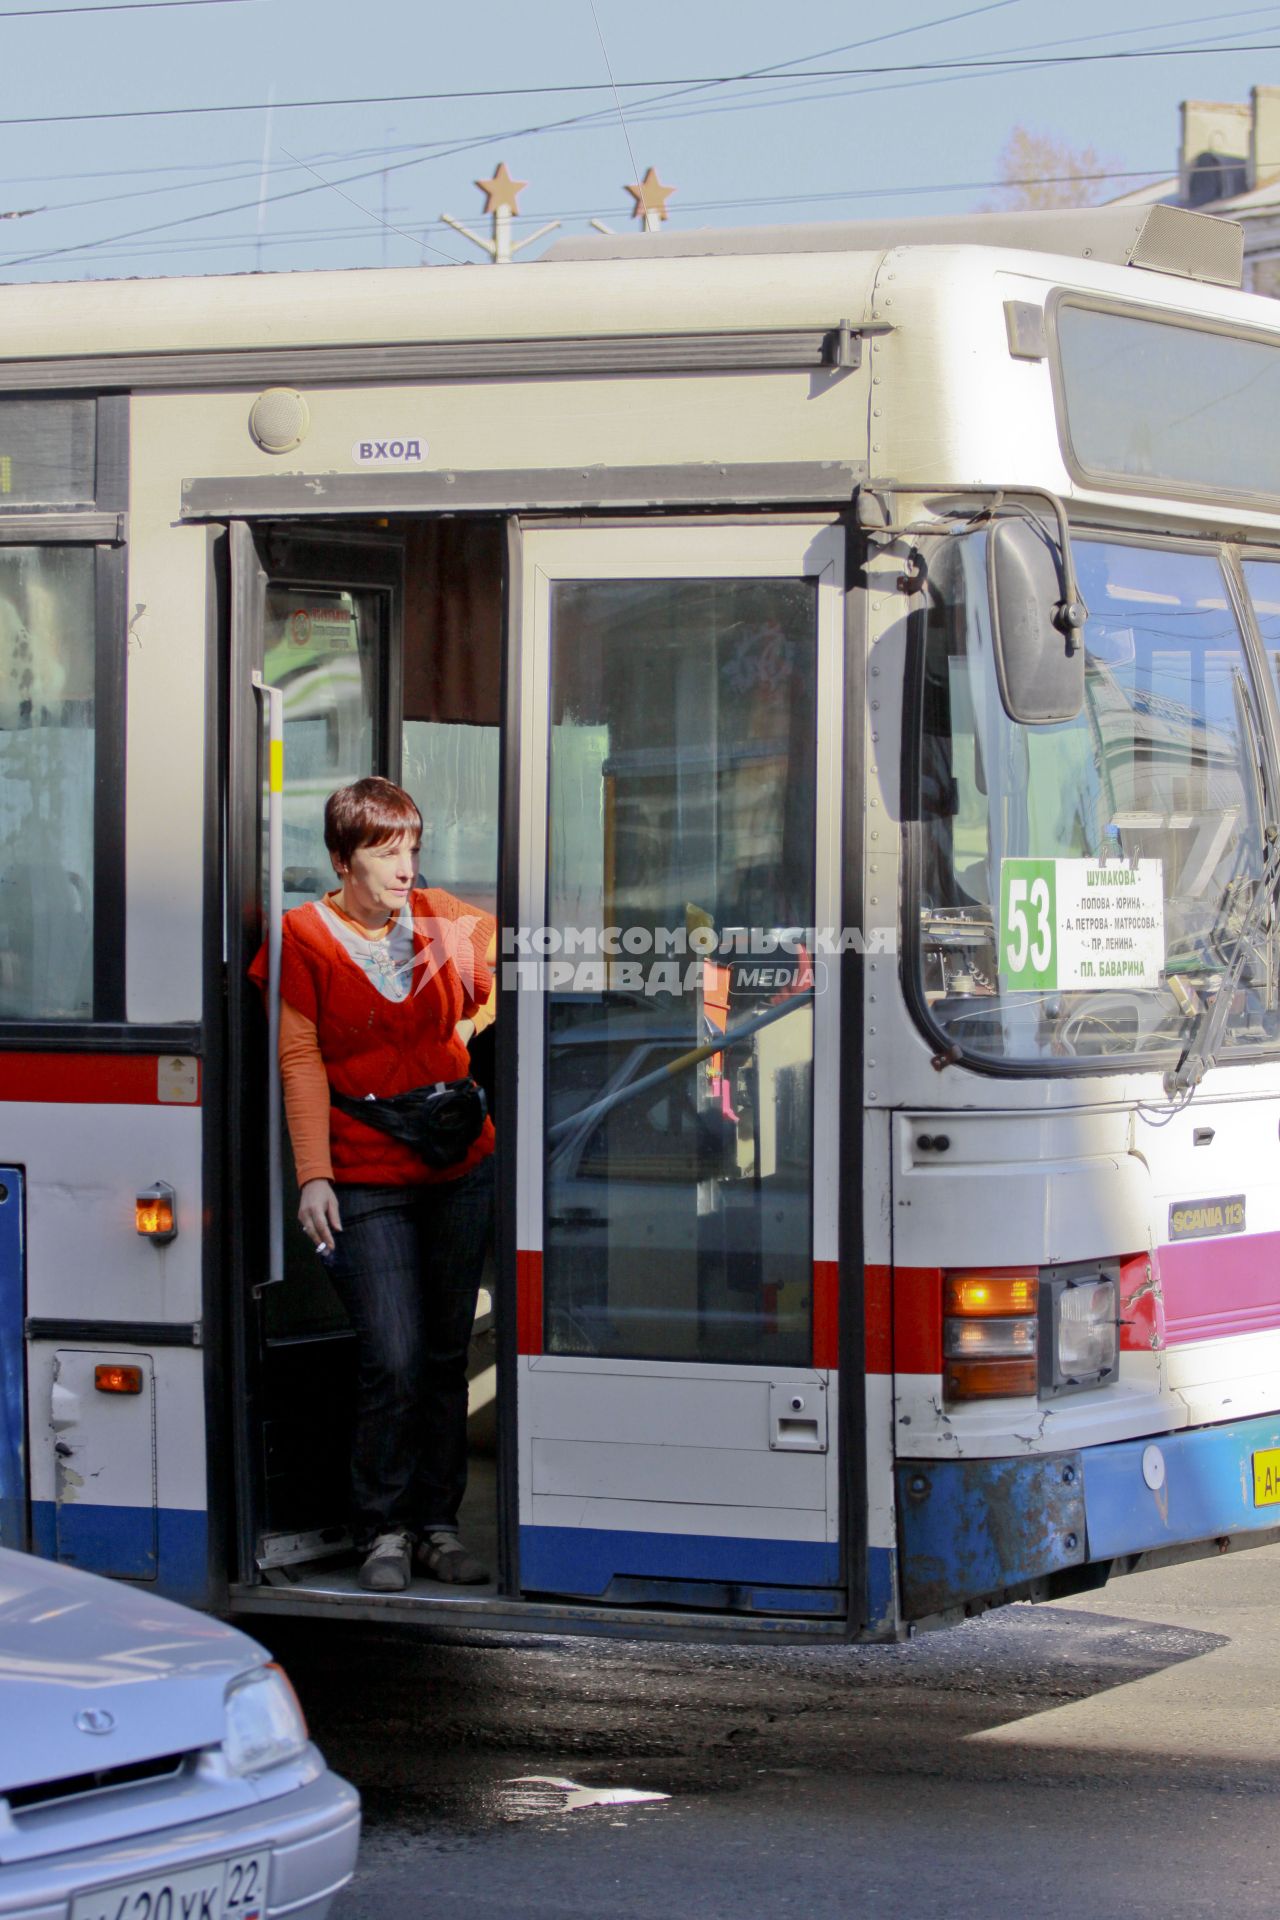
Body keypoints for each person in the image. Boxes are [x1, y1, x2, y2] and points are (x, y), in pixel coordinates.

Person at [251, 776, 496, 1593]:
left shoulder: (441, 918)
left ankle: (436, 1524)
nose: (404, 869)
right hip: (362, 1174)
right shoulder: (304, 936)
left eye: (412, 851)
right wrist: (312, 1176)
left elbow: (490, 973)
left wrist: (459, 1025)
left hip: (457, 1166)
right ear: (340, 859)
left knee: (441, 1353)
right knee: (389, 1356)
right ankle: (380, 1529)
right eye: (385, 853)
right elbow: (299, 1060)